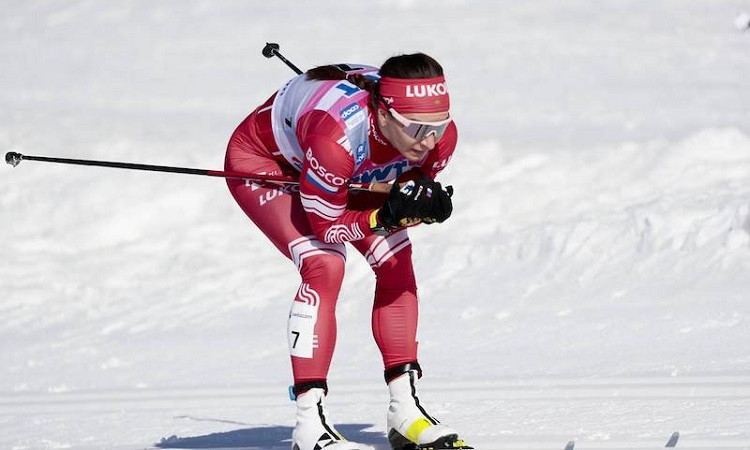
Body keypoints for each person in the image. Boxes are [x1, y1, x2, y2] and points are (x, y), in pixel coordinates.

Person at [225, 53, 470, 450]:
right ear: (384, 114)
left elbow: (399, 192)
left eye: (438, 125)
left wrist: (417, 205)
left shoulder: (437, 140)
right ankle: (309, 426)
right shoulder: (335, 138)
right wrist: (383, 215)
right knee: (324, 264)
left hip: (340, 173)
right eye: (419, 127)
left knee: (396, 259)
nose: (429, 139)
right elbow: (328, 226)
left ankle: (405, 410)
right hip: (267, 165)